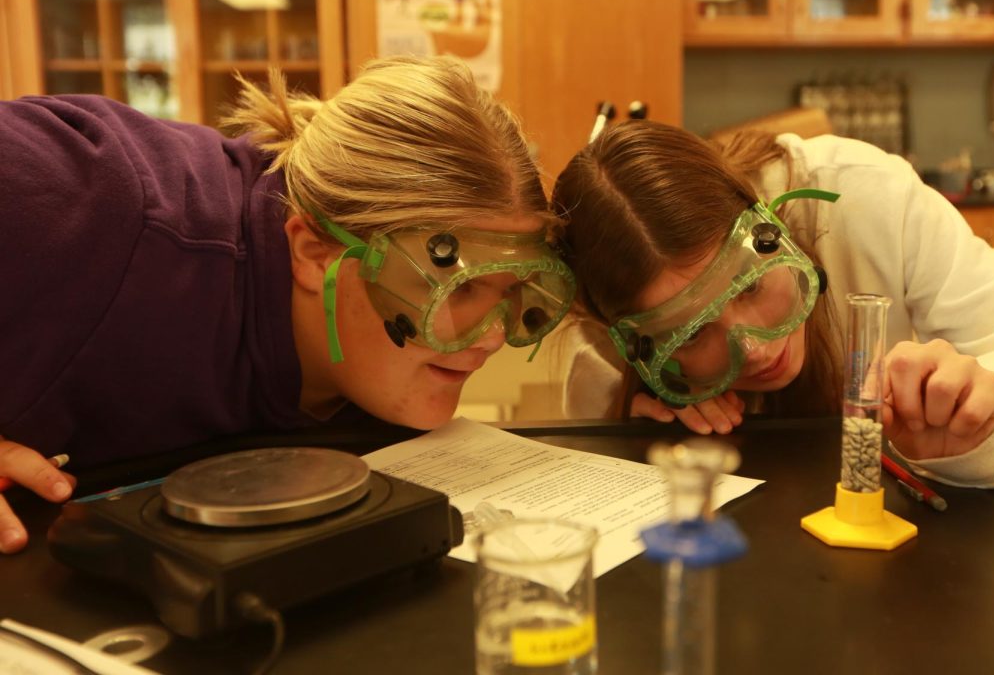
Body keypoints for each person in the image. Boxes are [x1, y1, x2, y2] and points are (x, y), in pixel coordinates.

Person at [0, 55, 575, 553]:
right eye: (457, 283)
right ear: (314, 251)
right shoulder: (103, 202)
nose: (492, 337)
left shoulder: (369, 375)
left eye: (511, 291)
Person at [550, 120, 994, 488]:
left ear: (772, 223)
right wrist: (643, 450)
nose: (754, 347)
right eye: (691, 332)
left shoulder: (860, 196)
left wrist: (985, 431)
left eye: (751, 286)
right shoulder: (603, 352)